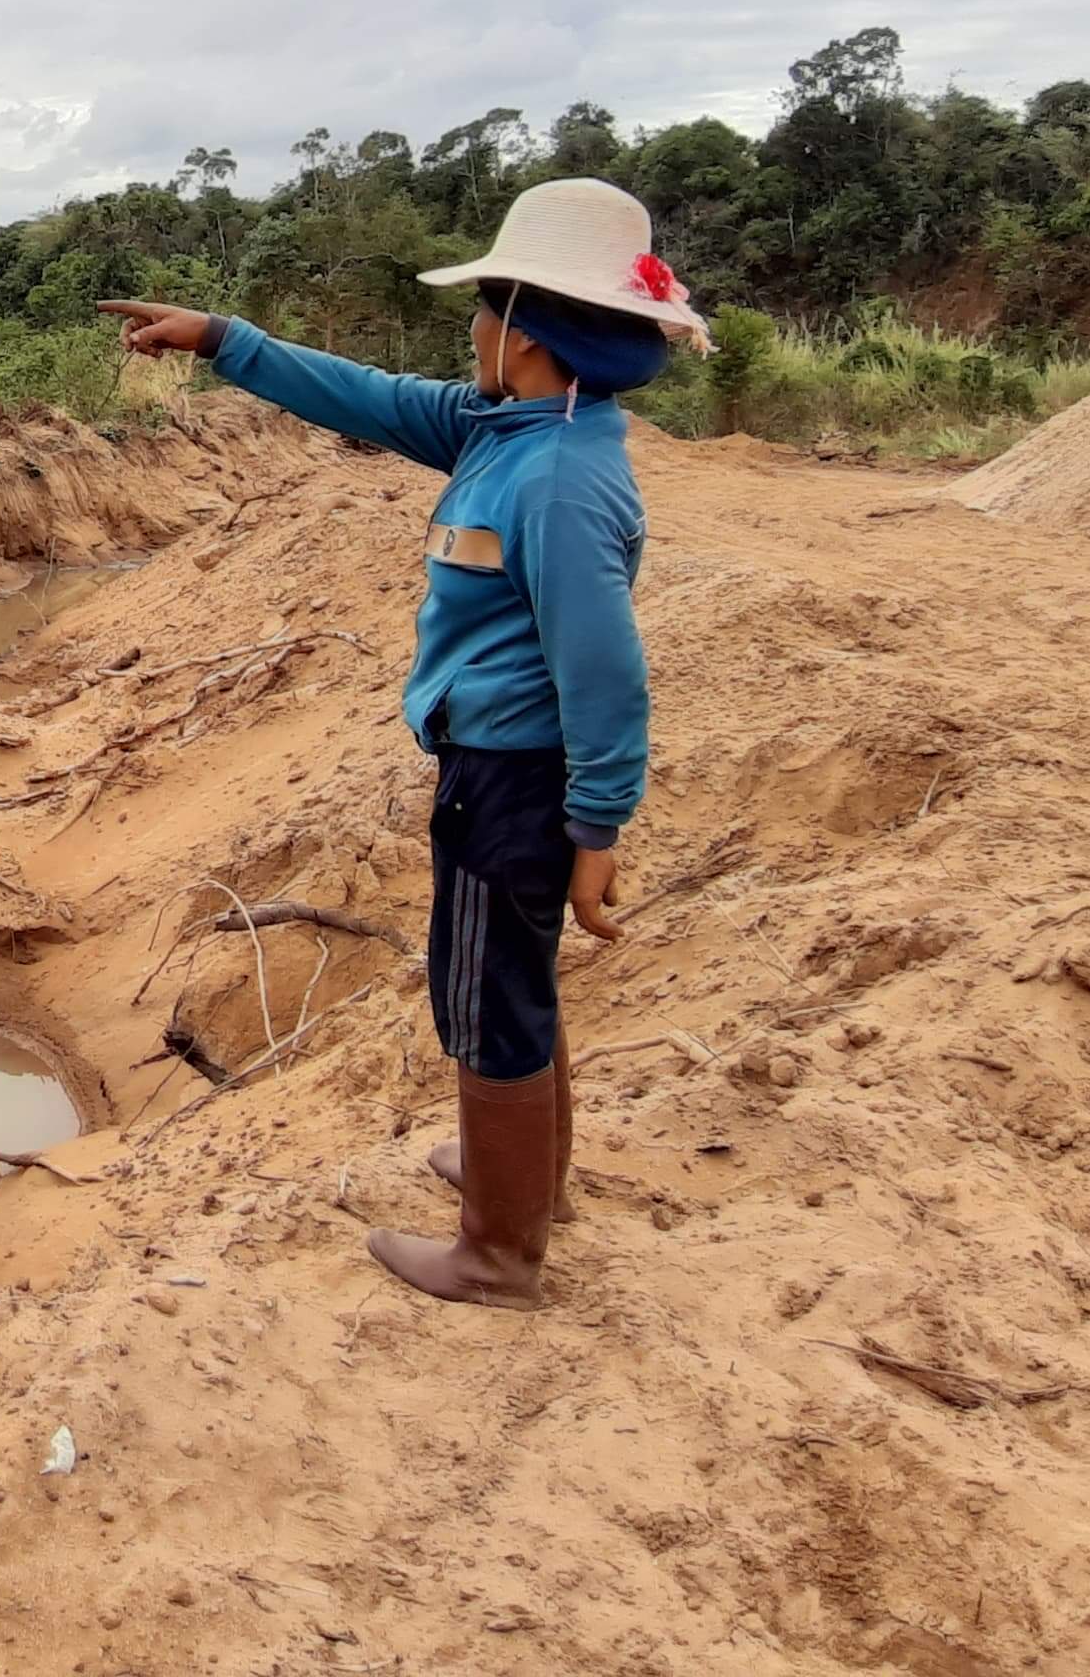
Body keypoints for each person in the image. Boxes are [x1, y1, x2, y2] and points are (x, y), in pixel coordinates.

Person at [98, 176, 704, 1308]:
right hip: (500, 771)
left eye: (483, 312)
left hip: (512, 781)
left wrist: (598, 823)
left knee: (489, 999)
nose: (469, 332)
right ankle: (521, 1180)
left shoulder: (556, 478)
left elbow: (607, 670)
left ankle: (498, 1252)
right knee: (512, 984)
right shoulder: (511, 430)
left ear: (520, 338)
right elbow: (366, 397)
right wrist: (226, 341)